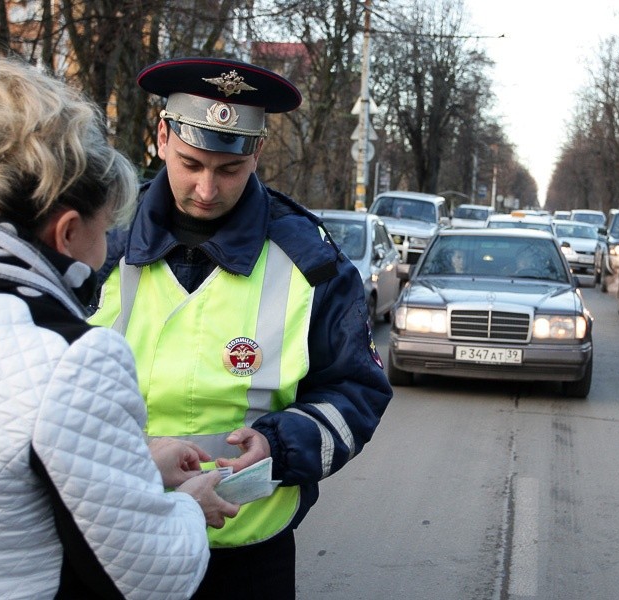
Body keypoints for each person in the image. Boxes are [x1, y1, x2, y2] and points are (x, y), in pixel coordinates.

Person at [0, 57, 238, 600]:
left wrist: (135, 465)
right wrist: (186, 508)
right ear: (69, 232)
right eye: (105, 232)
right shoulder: (70, 356)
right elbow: (152, 574)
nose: (107, 254)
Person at [89, 56, 393, 599]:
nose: (207, 189)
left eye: (228, 170)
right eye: (191, 164)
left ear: (255, 152)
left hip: (248, 553)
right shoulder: (99, 245)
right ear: (161, 136)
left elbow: (356, 389)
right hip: (114, 539)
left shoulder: (311, 261)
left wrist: (280, 446)